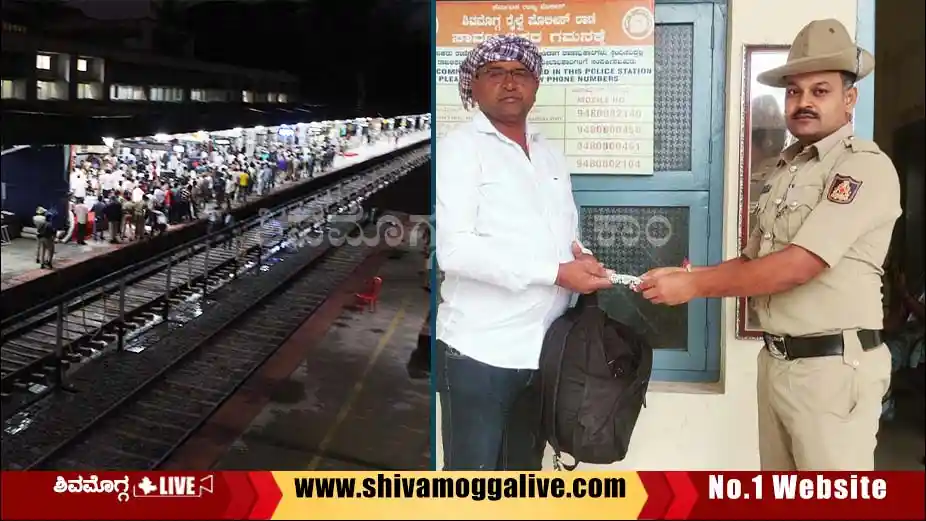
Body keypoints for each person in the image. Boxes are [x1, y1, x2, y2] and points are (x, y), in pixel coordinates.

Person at [636, 19, 900, 471]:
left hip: (833, 372)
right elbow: (753, 259)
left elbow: (799, 265)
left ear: (849, 99)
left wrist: (695, 287)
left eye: (820, 91)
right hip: (778, 363)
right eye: (794, 92)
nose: (803, 102)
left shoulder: (863, 168)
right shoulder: (787, 169)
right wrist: (690, 276)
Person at [435, 35, 613, 471]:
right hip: (480, 353)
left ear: (535, 85)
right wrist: (556, 272)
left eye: (520, 73)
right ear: (473, 86)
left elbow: (564, 236)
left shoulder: (550, 153)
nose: (510, 82)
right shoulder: (460, 149)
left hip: (545, 352)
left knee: (522, 477)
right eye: (494, 73)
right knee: (471, 483)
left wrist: (581, 260)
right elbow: (454, 251)